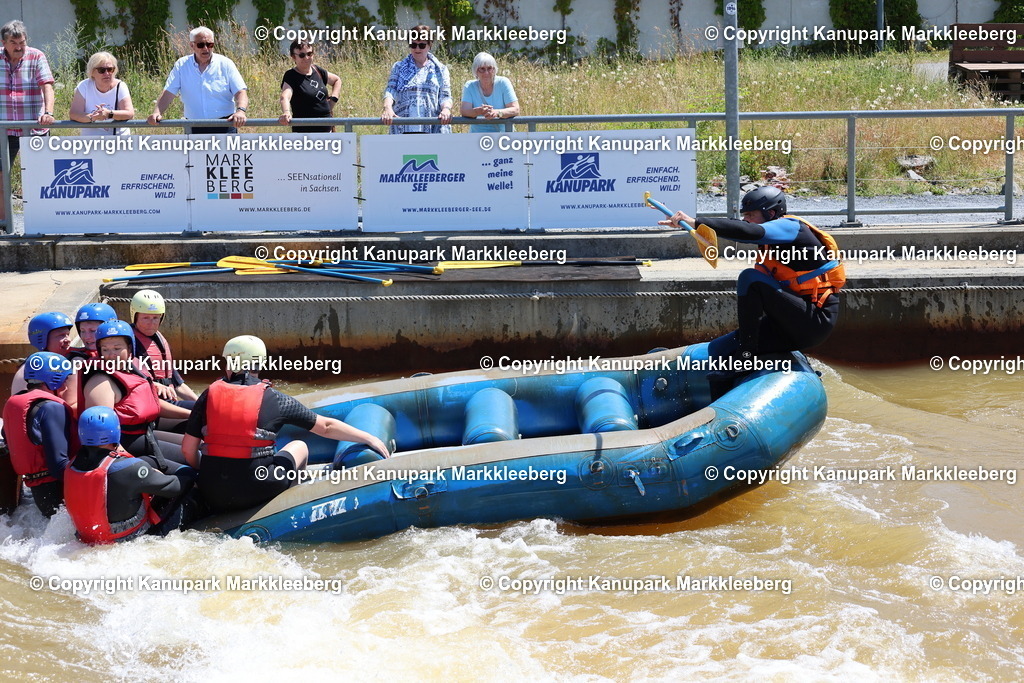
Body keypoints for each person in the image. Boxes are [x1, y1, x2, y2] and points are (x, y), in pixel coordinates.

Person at [659, 186, 845, 385]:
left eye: (751, 214)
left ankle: (745, 359)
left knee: (750, 278)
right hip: (785, 325)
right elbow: (743, 229)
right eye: (744, 215)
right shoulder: (770, 242)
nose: (746, 219)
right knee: (718, 350)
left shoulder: (791, 228)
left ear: (771, 213)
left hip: (813, 321)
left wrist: (696, 222)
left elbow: (748, 231)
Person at [182, 335, 389, 513]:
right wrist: (368, 437)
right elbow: (325, 427)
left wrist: (213, 474)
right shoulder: (275, 398)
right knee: (299, 446)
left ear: (229, 364)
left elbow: (188, 450)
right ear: (259, 364)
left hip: (212, 491)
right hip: (257, 488)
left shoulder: (209, 395)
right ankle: (290, 505)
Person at [65, 406, 197, 545]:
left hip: (89, 539)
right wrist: (188, 474)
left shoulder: (72, 465)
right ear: (115, 431)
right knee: (190, 493)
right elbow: (175, 487)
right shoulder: (129, 468)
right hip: (130, 540)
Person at [80, 320, 191, 466]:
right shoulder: (100, 382)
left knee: (197, 444)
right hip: (126, 441)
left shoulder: (132, 367)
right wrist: (128, 462)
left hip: (145, 431)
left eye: (117, 348)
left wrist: (191, 414)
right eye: (105, 349)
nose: (111, 355)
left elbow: (153, 403)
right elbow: (101, 435)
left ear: (130, 347)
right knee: (192, 460)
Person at [1, 352, 75, 517]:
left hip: (37, 490)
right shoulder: (52, 408)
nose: (66, 386)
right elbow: (59, 465)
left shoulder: (13, 402)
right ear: (54, 379)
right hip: (55, 489)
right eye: (65, 379)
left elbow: (6, 435)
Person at [0, 20, 54, 223]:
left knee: (42, 176)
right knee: (1, 177)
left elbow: (47, 86)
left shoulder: (36, 55)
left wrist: (48, 112)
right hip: (3, 130)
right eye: (14, 42)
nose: (19, 47)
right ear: (3, 42)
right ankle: (4, 224)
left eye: (22, 41)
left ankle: (44, 221)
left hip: (35, 129)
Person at [147, 26, 247, 134]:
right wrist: (157, 112)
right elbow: (168, 92)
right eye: (201, 45)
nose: (206, 48)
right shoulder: (181, 65)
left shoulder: (226, 64)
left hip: (225, 126)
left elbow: (240, 91)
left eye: (210, 44)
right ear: (192, 45)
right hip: (194, 127)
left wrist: (241, 111)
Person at [129, 289, 198, 404]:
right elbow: (128, 377)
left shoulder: (159, 341)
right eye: (145, 318)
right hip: (149, 404)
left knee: (205, 407)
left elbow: (177, 384)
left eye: (155, 318)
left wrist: (200, 402)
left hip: (167, 401)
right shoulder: (128, 343)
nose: (151, 323)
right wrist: (153, 384)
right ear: (135, 316)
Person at [381, 25, 452, 134]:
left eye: (422, 45)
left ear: (429, 45)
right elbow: (390, 91)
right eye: (413, 45)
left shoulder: (441, 69)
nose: (417, 49)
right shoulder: (398, 67)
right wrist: (387, 108)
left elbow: (445, 96)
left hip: (433, 130)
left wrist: (446, 109)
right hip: (403, 130)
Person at [278, 40, 340, 133]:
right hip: (304, 133)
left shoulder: (317, 70)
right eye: (302, 55)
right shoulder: (291, 75)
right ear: (293, 57)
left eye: (309, 54)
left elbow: (337, 80)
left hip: (327, 130)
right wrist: (286, 112)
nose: (306, 58)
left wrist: (333, 99)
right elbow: (285, 97)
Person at [68, 51, 134, 136]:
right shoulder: (84, 86)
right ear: (92, 72)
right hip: (90, 142)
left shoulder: (121, 86)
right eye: (101, 70)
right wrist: (93, 117)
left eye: (110, 69)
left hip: (118, 141)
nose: (107, 73)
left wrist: (109, 114)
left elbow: (129, 113)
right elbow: (74, 114)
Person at [10, 311, 73, 396]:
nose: (68, 339)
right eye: (61, 335)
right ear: (42, 339)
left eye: (67, 334)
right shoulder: (29, 369)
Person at [459, 52, 519, 133]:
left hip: (504, 136)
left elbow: (515, 109)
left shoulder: (503, 82)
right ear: (476, 71)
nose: (486, 73)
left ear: (494, 70)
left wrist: (497, 113)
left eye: (489, 68)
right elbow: (464, 111)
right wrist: (479, 111)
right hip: (477, 137)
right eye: (482, 69)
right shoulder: (470, 86)